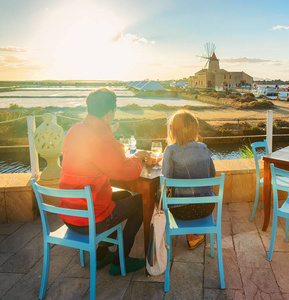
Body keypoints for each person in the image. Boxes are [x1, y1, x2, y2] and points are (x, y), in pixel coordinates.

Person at [58, 88, 151, 275]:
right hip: (89, 220)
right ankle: (120, 261)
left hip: (69, 214)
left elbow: (95, 158)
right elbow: (125, 171)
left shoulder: (75, 130)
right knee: (142, 203)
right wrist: (139, 158)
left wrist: (108, 131)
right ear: (110, 113)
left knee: (124, 196)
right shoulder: (100, 137)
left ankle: (102, 255)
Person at [162, 110, 216, 250]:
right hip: (206, 208)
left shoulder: (171, 150)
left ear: (173, 130)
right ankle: (192, 236)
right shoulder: (204, 148)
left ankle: (159, 239)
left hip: (181, 210)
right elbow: (212, 174)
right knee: (193, 198)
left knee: (162, 198)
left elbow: (165, 181)